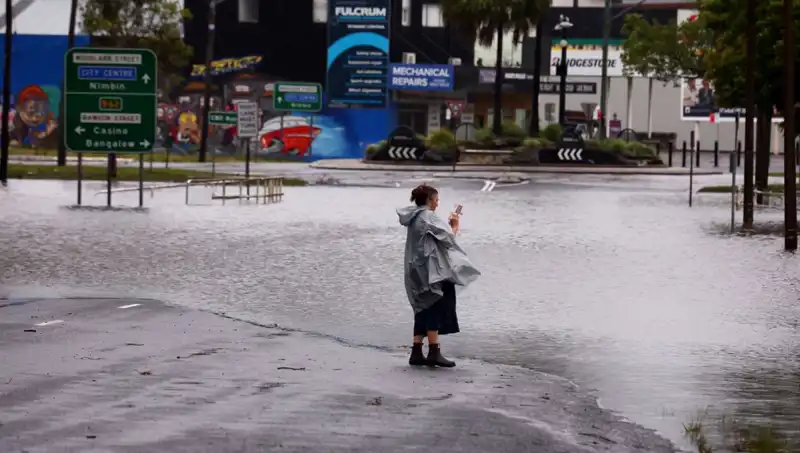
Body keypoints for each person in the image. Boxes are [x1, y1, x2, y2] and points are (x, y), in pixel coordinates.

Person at [397, 185, 481, 368]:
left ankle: (417, 351)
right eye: (436, 199)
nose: (437, 203)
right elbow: (448, 239)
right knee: (436, 303)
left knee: (421, 307)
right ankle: (434, 351)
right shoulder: (429, 216)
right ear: (429, 200)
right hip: (431, 270)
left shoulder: (414, 216)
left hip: (415, 269)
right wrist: (455, 225)